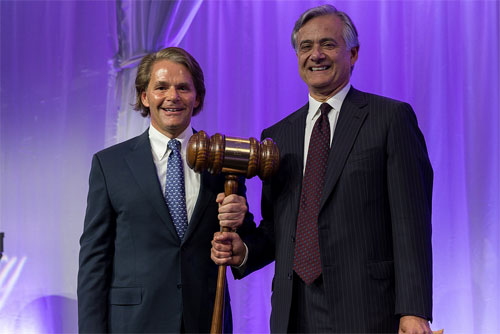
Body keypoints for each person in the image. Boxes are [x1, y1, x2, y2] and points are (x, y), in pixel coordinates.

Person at [211, 4, 433, 334]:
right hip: (293, 312)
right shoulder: (278, 136)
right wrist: (243, 251)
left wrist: (414, 310)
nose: (316, 54)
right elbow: (277, 230)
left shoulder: (390, 119)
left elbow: (410, 223)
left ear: (353, 54)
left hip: (370, 310)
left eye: (328, 44)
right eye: (306, 46)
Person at [78, 47, 253, 333]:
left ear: (197, 97)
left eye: (183, 87)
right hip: (133, 324)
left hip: (205, 321)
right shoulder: (109, 165)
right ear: (144, 97)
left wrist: (241, 230)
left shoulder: (223, 161)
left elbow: (242, 244)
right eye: (161, 87)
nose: (173, 96)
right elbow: (94, 262)